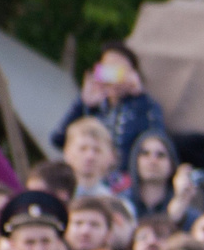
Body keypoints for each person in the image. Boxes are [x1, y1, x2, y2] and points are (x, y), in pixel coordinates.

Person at [51, 43, 166, 171]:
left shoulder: (145, 106)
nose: (114, 76)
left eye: (120, 70)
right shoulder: (93, 106)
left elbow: (157, 144)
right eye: (109, 69)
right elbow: (58, 139)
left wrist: (140, 98)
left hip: (124, 182)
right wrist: (82, 104)